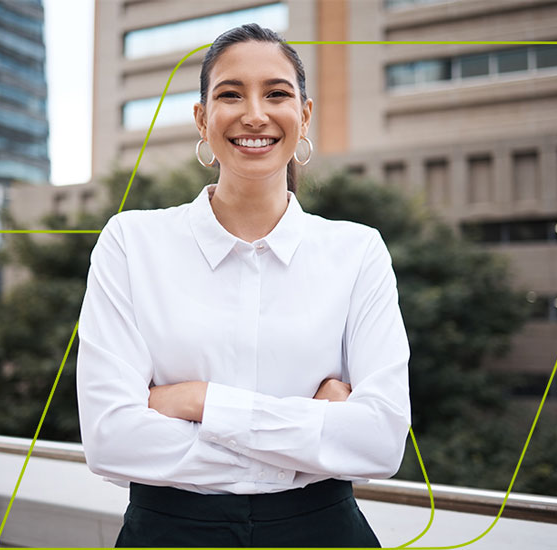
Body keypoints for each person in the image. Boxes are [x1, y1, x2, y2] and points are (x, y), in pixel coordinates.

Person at [75, 23, 411, 548]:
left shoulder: (357, 251)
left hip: (323, 532)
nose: (255, 114)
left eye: (276, 93)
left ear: (303, 115)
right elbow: (111, 440)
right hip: (169, 533)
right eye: (230, 94)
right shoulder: (131, 242)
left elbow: (381, 442)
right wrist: (313, 429)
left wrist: (197, 400)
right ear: (202, 119)